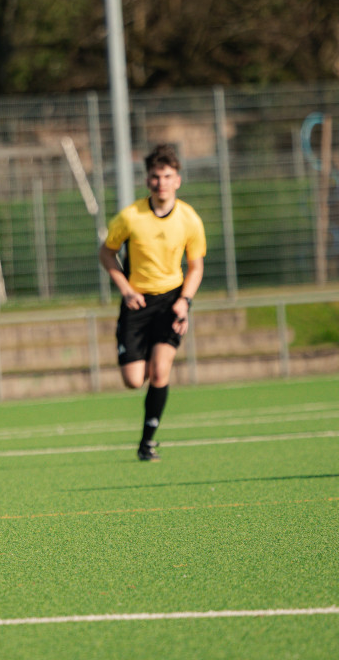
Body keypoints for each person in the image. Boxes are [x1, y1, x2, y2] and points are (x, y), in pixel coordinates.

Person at [98, 143, 206, 462]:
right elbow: (106, 252)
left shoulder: (189, 219)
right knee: (134, 380)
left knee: (160, 371)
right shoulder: (130, 217)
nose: (162, 183)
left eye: (168, 176)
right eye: (156, 177)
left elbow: (196, 266)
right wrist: (126, 289)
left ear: (178, 180)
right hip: (137, 303)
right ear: (148, 181)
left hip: (172, 301)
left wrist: (185, 301)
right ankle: (141, 355)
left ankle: (147, 442)